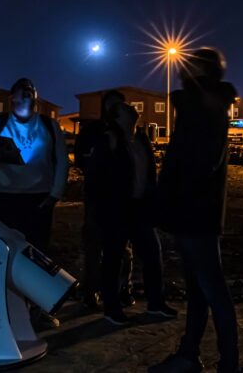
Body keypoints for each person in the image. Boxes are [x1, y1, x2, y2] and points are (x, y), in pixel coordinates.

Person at [150, 47, 242, 373]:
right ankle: (191, 354)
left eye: (186, 64)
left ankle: (229, 363)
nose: (179, 68)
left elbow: (196, 161)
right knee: (200, 289)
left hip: (194, 212)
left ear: (198, 70)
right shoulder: (203, 103)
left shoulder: (204, 107)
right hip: (195, 209)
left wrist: (171, 198)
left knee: (212, 288)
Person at [0, 77, 69, 328]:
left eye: (31, 92)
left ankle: (37, 310)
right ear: (11, 98)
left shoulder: (49, 125)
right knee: (2, 255)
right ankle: (3, 310)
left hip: (38, 199)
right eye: (21, 91)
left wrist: (55, 194)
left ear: (36, 98)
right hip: (3, 199)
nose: (26, 95)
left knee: (37, 256)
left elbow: (61, 162)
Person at [88, 101, 175, 325]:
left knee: (152, 255)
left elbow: (149, 175)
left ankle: (156, 303)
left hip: (141, 208)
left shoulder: (141, 140)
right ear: (116, 117)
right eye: (126, 108)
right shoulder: (109, 140)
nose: (133, 109)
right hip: (117, 210)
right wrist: (101, 210)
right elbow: (96, 178)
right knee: (113, 259)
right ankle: (112, 308)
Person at [74, 90, 136, 310]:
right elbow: (80, 158)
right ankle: (91, 291)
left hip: (121, 200)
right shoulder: (93, 131)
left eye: (118, 105)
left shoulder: (130, 135)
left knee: (123, 249)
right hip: (96, 197)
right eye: (111, 104)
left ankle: (123, 290)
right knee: (93, 246)